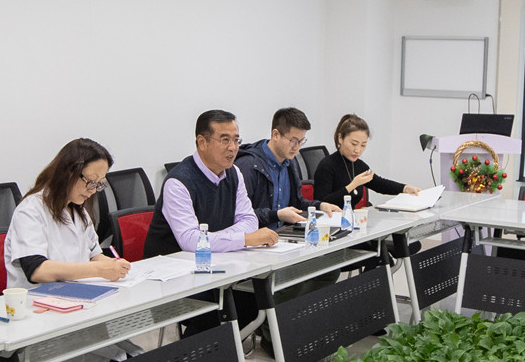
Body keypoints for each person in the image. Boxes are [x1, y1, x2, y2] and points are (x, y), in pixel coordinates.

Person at [6, 139, 133, 362]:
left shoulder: (78, 210)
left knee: (132, 355)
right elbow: (37, 270)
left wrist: (112, 265)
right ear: (68, 172)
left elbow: (94, 253)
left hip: (78, 310)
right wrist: (97, 268)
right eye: (90, 181)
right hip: (42, 319)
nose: (93, 190)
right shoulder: (31, 211)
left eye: (99, 184)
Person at [141, 110, 278, 257]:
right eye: (225, 140)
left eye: (236, 140)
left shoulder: (234, 173)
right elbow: (190, 241)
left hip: (218, 259)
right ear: (202, 142)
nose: (232, 148)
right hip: (173, 265)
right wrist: (244, 239)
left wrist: (217, 240)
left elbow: (249, 220)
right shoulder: (178, 183)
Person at [235, 107, 321, 229]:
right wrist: (276, 215)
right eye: (293, 141)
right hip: (256, 236)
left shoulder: (290, 162)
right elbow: (240, 215)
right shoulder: (249, 165)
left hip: (283, 235)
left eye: (301, 141)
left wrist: (320, 206)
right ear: (275, 135)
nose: (297, 147)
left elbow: (297, 203)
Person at [311, 114, 419, 211]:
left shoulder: (359, 165)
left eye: (363, 145)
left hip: (351, 219)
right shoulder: (327, 165)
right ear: (340, 138)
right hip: (330, 221)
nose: (358, 150)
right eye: (354, 144)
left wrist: (405, 188)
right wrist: (352, 185)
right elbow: (322, 202)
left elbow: (379, 184)